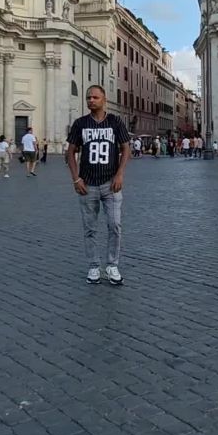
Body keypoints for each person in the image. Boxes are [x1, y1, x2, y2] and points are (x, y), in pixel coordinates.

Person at [66, 84, 130, 286]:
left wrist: (120, 174)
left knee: (115, 225)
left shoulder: (115, 122)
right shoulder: (80, 124)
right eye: (88, 98)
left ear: (104, 99)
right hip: (88, 184)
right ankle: (94, 266)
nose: (90, 100)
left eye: (94, 97)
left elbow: (125, 148)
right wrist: (76, 178)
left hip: (111, 183)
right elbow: (71, 153)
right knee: (90, 228)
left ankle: (112, 265)